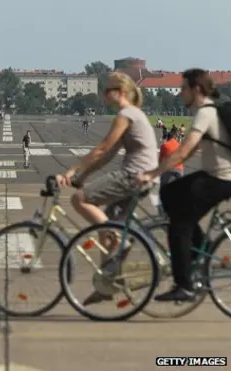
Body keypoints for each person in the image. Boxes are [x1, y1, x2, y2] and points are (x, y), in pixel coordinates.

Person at [56, 72, 158, 305]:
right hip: (143, 177)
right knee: (105, 230)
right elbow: (108, 155)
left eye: (107, 90)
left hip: (134, 175)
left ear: (120, 93)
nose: (104, 95)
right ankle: (107, 285)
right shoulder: (131, 114)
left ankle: (120, 236)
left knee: (80, 200)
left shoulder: (126, 114)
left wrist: (71, 171)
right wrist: (84, 175)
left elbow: (102, 148)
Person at [136, 69, 231, 302]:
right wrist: (162, 171)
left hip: (221, 178)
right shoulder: (208, 112)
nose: (180, 93)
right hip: (216, 176)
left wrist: (153, 173)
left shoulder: (206, 113)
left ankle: (185, 285)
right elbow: (187, 153)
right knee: (169, 194)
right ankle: (203, 250)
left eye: (183, 88)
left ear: (196, 89)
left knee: (180, 224)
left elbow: (184, 150)